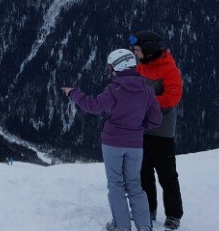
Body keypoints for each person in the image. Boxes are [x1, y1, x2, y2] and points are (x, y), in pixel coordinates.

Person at [62, 48, 162, 231]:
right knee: (135, 184)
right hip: (135, 144)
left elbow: (93, 106)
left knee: (116, 184)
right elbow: (156, 120)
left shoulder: (114, 89)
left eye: (111, 68)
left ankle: (122, 227)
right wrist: (138, 128)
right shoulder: (147, 90)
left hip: (113, 143)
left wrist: (73, 93)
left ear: (117, 67)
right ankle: (145, 227)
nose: (110, 71)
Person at [131, 31, 185, 230]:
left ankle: (173, 214)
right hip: (141, 129)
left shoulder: (170, 70)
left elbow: (171, 99)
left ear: (149, 49)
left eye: (138, 49)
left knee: (167, 175)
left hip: (162, 132)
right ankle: (148, 209)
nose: (136, 53)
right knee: (143, 172)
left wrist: (144, 102)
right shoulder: (141, 68)